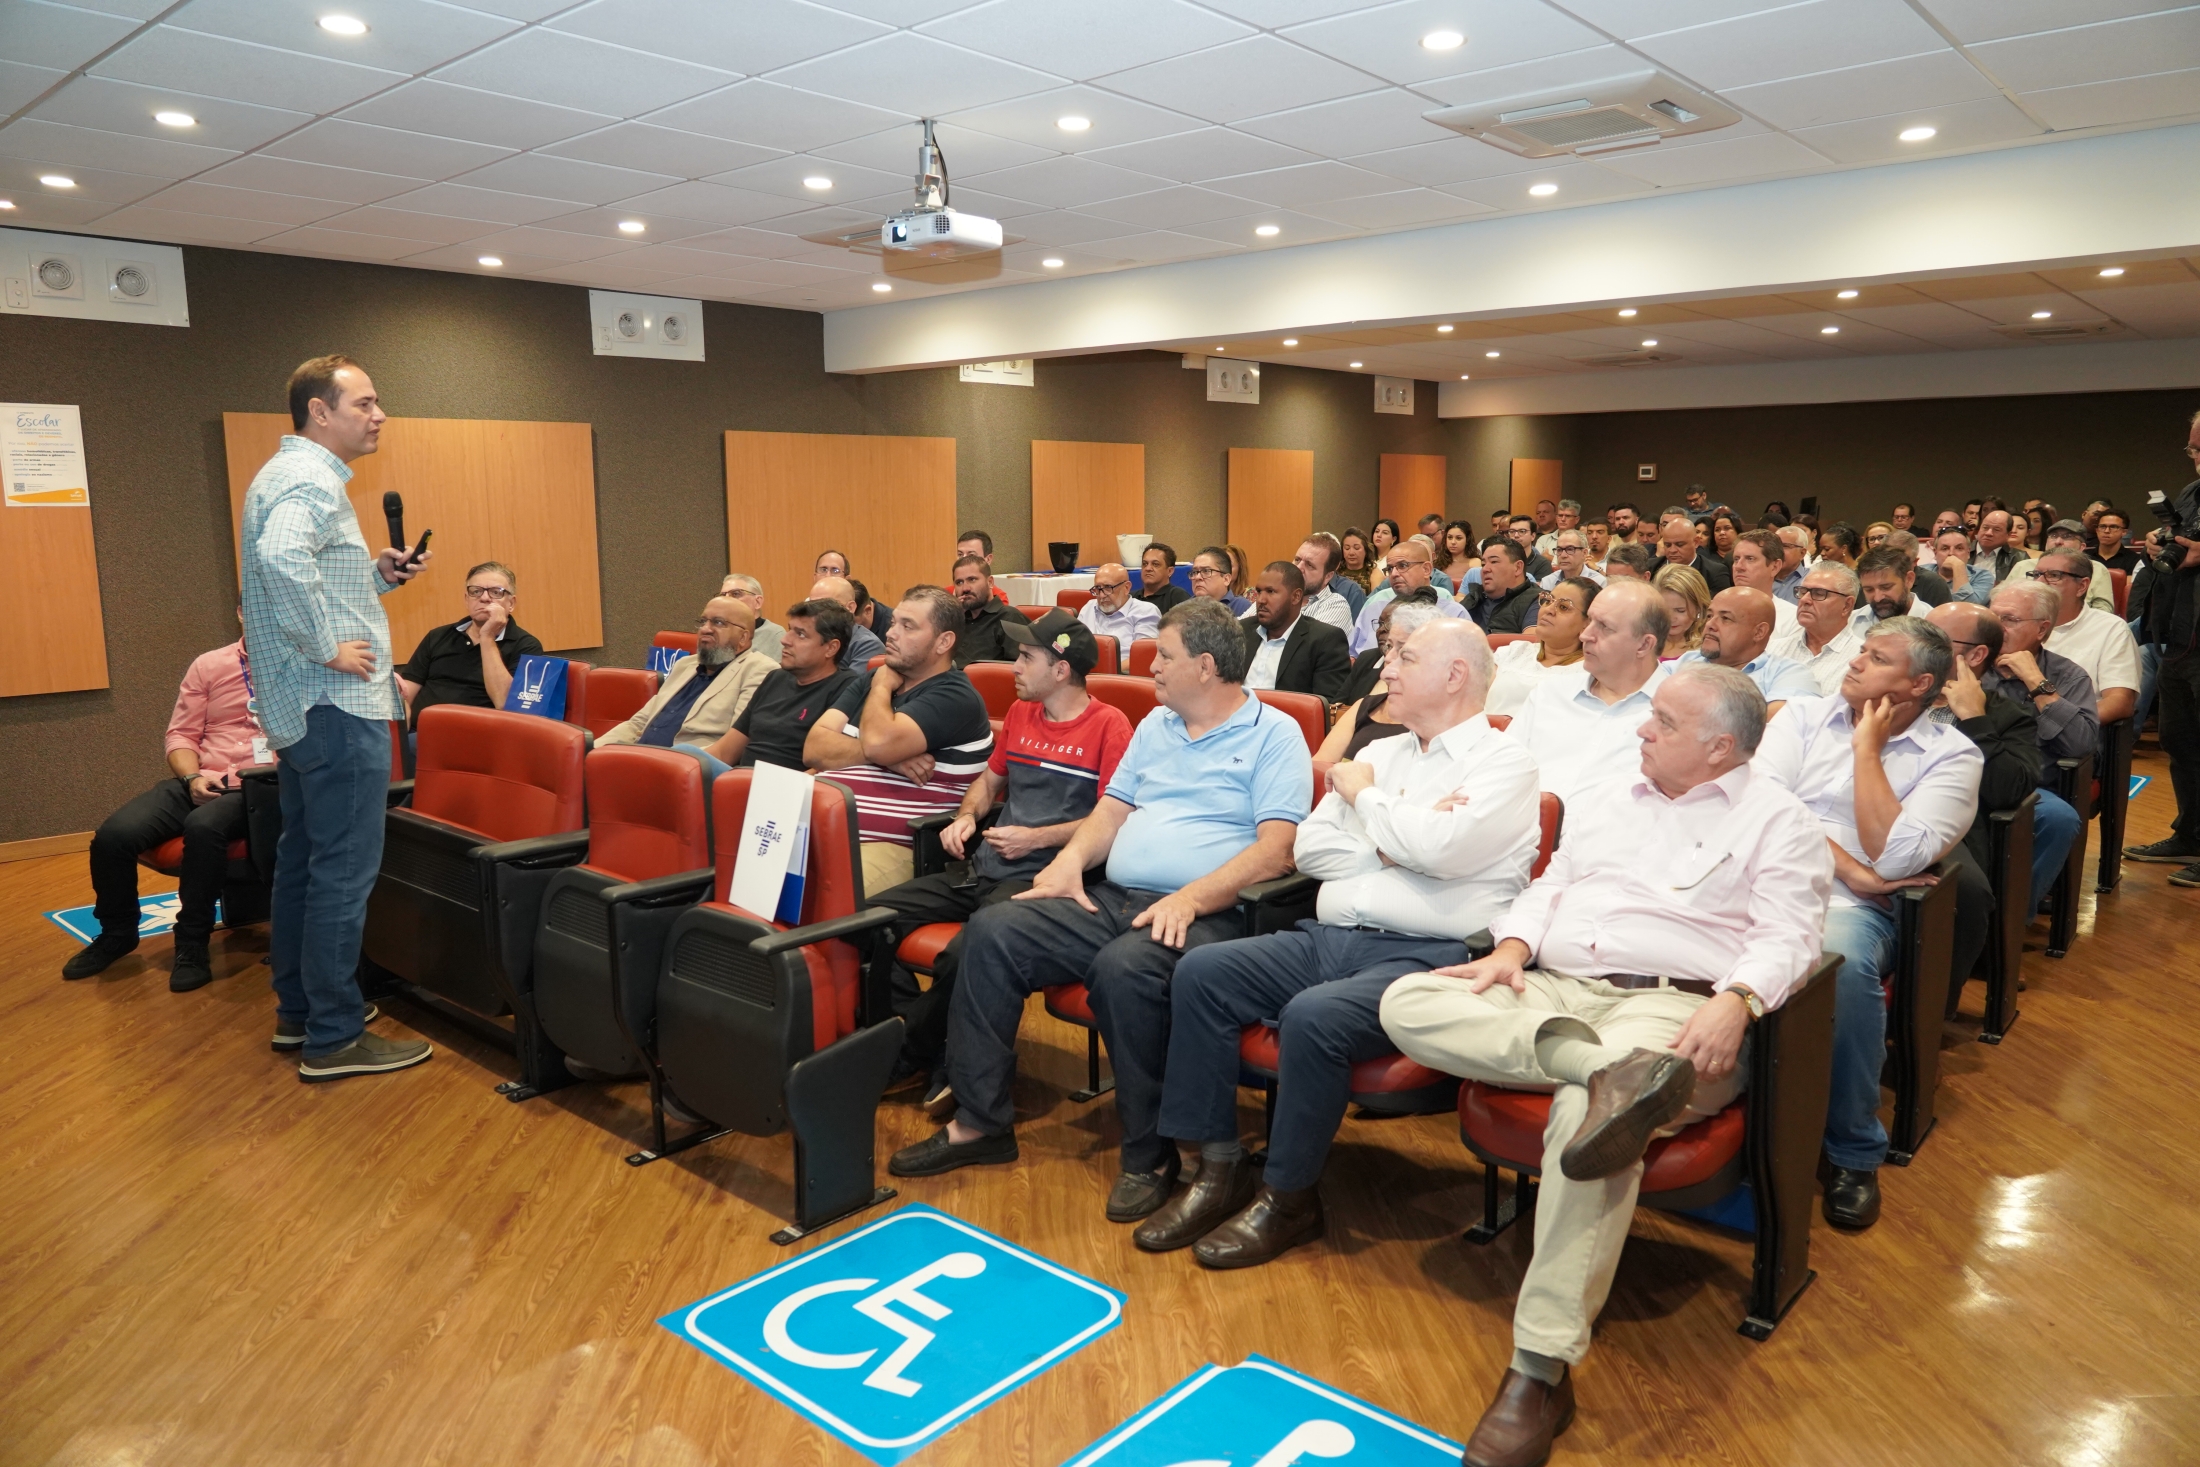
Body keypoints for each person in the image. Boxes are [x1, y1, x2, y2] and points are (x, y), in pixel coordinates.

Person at [1382, 665, 1830, 1467]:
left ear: (1719, 747)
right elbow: (1552, 884)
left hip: (1671, 1006)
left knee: (1581, 1122)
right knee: (1409, 1000)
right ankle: (1608, 1074)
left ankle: (1538, 1369)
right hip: (1555, 987)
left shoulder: (1780, 820)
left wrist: (1737, 1000)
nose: (1642, 729)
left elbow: (1790, 936)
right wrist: (1512, 945)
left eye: (1664, 722)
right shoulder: (1610, 794)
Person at [888, 600, 1309, 1219]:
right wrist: (1067, 865)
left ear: (1206, 666)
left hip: (1205, 912)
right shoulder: (1156, 726)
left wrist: (1190, 897)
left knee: (1124, 970)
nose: (1152, 667)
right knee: (994, 929)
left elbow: (1277, 851)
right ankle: (980, 1123)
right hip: (1116, 895)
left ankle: (1149, 1155)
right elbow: (1111, 811)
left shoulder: (1276, 734)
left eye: (1164, 656)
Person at [1137, 620, 1540, 1266]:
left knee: (1313, 1015)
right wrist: (1394, 843)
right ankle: (1218, 1166)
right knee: (1203, 972)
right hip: (1331, 935)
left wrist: (1368, 800)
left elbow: (1442, 849)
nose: (1386, 670)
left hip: (1430, 956)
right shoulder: (1384, 751)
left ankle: (1289, 1198)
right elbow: (1312, 847)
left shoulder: (1505, 763)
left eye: (1405, 658)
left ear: (1455, 675)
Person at [239, 354, 431, 1080]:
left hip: (302, 708)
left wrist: (375, 576)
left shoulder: (282, 473)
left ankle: (301, 1012)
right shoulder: (311, 480)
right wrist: (327, 646)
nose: (379, 415)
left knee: (304, 865)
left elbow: (310, 574)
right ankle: (335, 1035)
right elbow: (282, 559)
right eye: (365, 403)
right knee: (343, 875)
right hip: (335, 705)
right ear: (320, 412)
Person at [1754, 617, 1981, 1230]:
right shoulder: (1802, 717)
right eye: (1862, 650)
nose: (1855, 662)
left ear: (1919, 684)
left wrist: (1866, 751)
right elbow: (1759, 804)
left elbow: (1899, 856)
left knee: (1840, 963)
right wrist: (1850, 866)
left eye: (1878, 658)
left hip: (1853, 911)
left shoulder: (1953, 756)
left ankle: (1853, 1151)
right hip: (1760, 875)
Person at [873, 610, 1132, 1102]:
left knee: (963, 954)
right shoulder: (1020, 713)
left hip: (1039, 880)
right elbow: (989, 781)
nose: (1014, 666)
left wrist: (1036, 839)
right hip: (985, 866)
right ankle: (934, 1042)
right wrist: (967, 816)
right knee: (870, 920)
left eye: (1026, 657)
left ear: (1061, 670)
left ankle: (906, 1053)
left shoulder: (1109, 726)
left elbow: (1112, 819)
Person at [64, 623, 266, 992]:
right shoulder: (210, 665)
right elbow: (182, 734)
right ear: (241, 613)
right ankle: (117, 933)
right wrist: (192, 778)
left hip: (261, 785)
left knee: (203, 827)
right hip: (203, 777)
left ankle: (192, 942)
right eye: (255, 606)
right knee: (113, 837)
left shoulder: (306, 662)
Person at [804, 586, 995, 892]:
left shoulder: (955, 696)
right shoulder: (872, 678)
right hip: (816, 829)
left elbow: (878, 744)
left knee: (821, 892)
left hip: (896, 848)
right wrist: (892, 760)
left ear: (944, 642)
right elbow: (814, 747)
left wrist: (882, 689)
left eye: (908, 626)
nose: (891, 633)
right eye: (894, 622)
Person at [1925, 603, 2042, 998]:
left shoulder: (2007, 716)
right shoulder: (1893, 692)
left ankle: (1932, 1009)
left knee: (1968, 889)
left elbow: (2009, 790)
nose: (1918, 646)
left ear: (1975, 655)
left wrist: (1975, 720)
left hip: (1945, 824)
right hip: (1866, 809)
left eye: (1935, 641)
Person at [1506, 579, 1668, 805]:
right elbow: (1502, 770)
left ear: (1643, 645)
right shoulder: (1550, 693)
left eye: (1604, 627)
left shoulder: (1679, 717)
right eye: (1590, 621)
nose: (1585, 635)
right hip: (1523, 823)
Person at [1989, 580, 2096, 906]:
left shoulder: (2068, 676)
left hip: (2030, 787)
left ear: (2042, 629)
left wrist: (2036, 681)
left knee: (2060, 819)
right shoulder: (1968, 663)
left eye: (2010, 619)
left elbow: (2081, 745)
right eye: (1993, 618)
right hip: (1963, 776)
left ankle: (2010, 918)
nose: (1998, 628)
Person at [2129, 420, 2200, 882]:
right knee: (2180, 740)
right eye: (2192, 449)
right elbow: (2178, 544)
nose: (2196, 458)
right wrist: (2159, 544)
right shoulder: (2192, 492)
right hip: (2179, 637)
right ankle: (2190, 835)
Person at [597, 596, 776, 766]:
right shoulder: (684, 665)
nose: (705, 629)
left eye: (718, 622)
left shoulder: (758, 670)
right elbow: (638, 723)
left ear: (743, 637)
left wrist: (668, 766)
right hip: (636, 758)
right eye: (703, 621)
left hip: (685, 768)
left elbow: (733, 746)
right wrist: (592, 750)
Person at [699, 598, 856, 772]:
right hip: (738, 778)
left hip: (790, 785)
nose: (785, 640)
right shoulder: (775, 678)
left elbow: (828, 767)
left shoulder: (848, 689)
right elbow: (724, 752)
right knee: (685, 756)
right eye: (790, 630)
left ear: (831, 648)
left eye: (800, 634)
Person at [394, 561, 541, 729]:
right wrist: (399, 734)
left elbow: (505, 703)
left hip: (479, 737)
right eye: (476, 591)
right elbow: (405, 696)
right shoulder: (438, 636)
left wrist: (487, 637)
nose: (484, 598)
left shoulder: (527, 646)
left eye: (496, 592)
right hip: (421, 733)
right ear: (466, 600)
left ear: (511, 604)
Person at [1317, 601, 1447, 763]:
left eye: (1402, 649)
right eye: (1389, 646)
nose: (1388, 657)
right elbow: (1319, 766)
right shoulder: (1363, 706)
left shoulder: (1443, 718)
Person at [2036, 546, 2140, 727]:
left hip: (2075, 732)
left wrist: (2065, 725)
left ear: (2082, 586)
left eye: (2053, 575)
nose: (2039, 582)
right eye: (2036, 575)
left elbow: (2120, 702)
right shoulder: (2018, 623)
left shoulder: (2110, 629)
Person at [1679, 587, 1815, 713]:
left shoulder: (1789, 674)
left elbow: (1782, 720)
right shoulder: (1683, 663)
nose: (1710, 624)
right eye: (1709, 616)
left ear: (1759, 632)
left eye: (1725, 618)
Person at [1241, 561, 1351, 701]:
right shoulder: (1240, 631)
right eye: (1259, 591)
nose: (1261, 600)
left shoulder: (1325, 640)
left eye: (1271, 592)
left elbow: (1326, 704)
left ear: (1296, 596)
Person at [1488, 578, 1593, 717]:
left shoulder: (1590, 673)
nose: (1548, 610)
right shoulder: (1513, 651)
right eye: (1548, 601)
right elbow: (1473, 701)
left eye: (1563, 607)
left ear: (1587, 623)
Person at [1349, 537, 1468, 655]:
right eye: (1390, 569)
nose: (1394, 574)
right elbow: (1351, 656)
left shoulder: (1454, 615)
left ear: (1426, 569)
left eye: (1402, 566)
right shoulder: (1373, 610)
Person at [1770, 564, 1867, 693]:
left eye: (1819, 594)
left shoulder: (1861, 660)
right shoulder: (1774, 650)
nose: (1805, 600)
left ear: (1847, 605)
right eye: (1802, 592)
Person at [1336, 590, 1441, 709]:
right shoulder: (1367, 659)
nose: (1381, 630)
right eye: (1380, 623)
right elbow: (1337, 706)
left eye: (1390, 623)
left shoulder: (1427, 678)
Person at [2008, 520, 2116, 613]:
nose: (2058, 542)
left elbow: (2103, 609)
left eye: (2067, 537)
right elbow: (2005, 599)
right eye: (2054, 536)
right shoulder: (2023, 566)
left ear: (2081, 547)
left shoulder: (2096, 569)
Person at [948, 553, 1017, 667]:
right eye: (959, 582)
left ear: (990, 582)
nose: (965, 588)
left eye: (972, 580)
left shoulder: (1009, 618)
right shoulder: (956, 621)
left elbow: (1021, 669)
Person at [1078, 560, 1160, 655]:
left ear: (1126, 588)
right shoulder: (1089, 608)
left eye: (1108, 587)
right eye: (1097, 588)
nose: (1101, 595)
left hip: (1123, 664)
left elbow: (1143, 657)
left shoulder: (1145, 612)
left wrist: (1111, 665)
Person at [1730, 529, 1800, 638]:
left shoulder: (1793, 619)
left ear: (1775, 567)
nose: (1738, 566)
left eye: (1750, 559)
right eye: (1736, 559)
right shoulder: (1715, 611)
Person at [1464, 540, 1542, 636]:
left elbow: (1532, 640)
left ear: (1518, 568)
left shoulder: (1537, 599)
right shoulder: (1474, 597)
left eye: (1494, 562)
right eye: (1483, 564)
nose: (1485, 569)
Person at [811, 575, 884, 669]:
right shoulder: (807, 637)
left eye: (825, 605)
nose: (815, 612)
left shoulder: (868, 645)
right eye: (811, 605)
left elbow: (853, 679)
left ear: (850, 608)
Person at [1294, 532, 1363, 626]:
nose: (1298, 568)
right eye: (1297, 560)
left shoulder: (1336, 606)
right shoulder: (1283, 596)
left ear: (1328, 576)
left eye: (1309, 565)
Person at [1656, 515, 1731, 594]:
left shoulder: (1715, 573)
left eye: (1679, 545)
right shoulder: (1651, 567)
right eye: (1667, 545)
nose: (1672, 550)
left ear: (1696, 542)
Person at [720, 573, 783, 662]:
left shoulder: (775, 634)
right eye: (723, 595)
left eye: (735, 594)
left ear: (757, 602)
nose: (726, 600)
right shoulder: (717, 632)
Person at [1854, 545, 1924, 624]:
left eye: (1886, 587)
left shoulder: (1932, 621)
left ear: (1909, 579)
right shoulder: (1849, 623)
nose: (1877, 598)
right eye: (1869, 590)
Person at [1652, 563, 1710, 656]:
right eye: (1664, 610)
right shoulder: (1643, 643)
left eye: (1680, 611)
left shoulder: (1709, 649)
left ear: (1699, 608)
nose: (1671, 618)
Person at [1934, 525, 1998, 604]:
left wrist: (1958, 567)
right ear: (1935, 553)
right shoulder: (1922, 574)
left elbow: (1966, 607)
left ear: (1968, 553)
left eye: (1959, 548)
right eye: (1945, 548)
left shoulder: (1983, 576)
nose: (1951, 553)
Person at [1972, 509, 2029, 586]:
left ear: (2008, 535)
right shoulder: (1961, 551)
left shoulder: (2019, 558)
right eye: (1985, 527)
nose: (1988, 533)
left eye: (1996, 530)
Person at [1190, 545, 1250, 616]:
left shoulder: (1241, 607)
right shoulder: (1184, 610)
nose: (1197, 577)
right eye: (1194, 572)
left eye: (1206, 571)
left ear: (1226, 579)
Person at [955, 528, 1009, 602]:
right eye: (960, 554)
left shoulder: (999, 598)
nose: (963, 560)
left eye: (971, 555)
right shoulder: (946, 594)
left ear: (988, 559)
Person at [1137, 541, 1190, 613]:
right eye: (1145, 564)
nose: (1148, 568)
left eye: (1155, 564)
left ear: (1170, 571)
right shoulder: (1130, 598)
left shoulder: (1177, 596)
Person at [2092, 508, 2142, 576]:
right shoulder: (2084, 557)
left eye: (2113, 527)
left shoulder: (2134, 560)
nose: (2106, 531)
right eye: (2102, 526)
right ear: (2097, 530)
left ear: (2124, 532)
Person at [1505, 515, 1555, 580]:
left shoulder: (1542, 564)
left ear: (1533, 536)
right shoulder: (1503, 560)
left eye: (1522, 531)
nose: (1516, 535)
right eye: (1512, 532)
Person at [1436, 520, 1480, 587]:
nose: (1453, 542)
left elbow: (1476, 589)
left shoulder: (1474, 562)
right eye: (1450, 537)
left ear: (1467, 540)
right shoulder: (1438, 562)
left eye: (1458, 538)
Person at [1772, 525, 1810, 601]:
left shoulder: (1811, 580)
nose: (1778, 551)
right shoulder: (1761, 576)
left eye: (1785, 546)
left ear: (1802, 553)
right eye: (1775, 546)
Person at [1338, 528, 1376, 592]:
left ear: (1366, 550)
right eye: (1347, 548)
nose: (1351, 553)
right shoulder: (1335, 573)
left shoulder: (1373, 573)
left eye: (1356, 548)